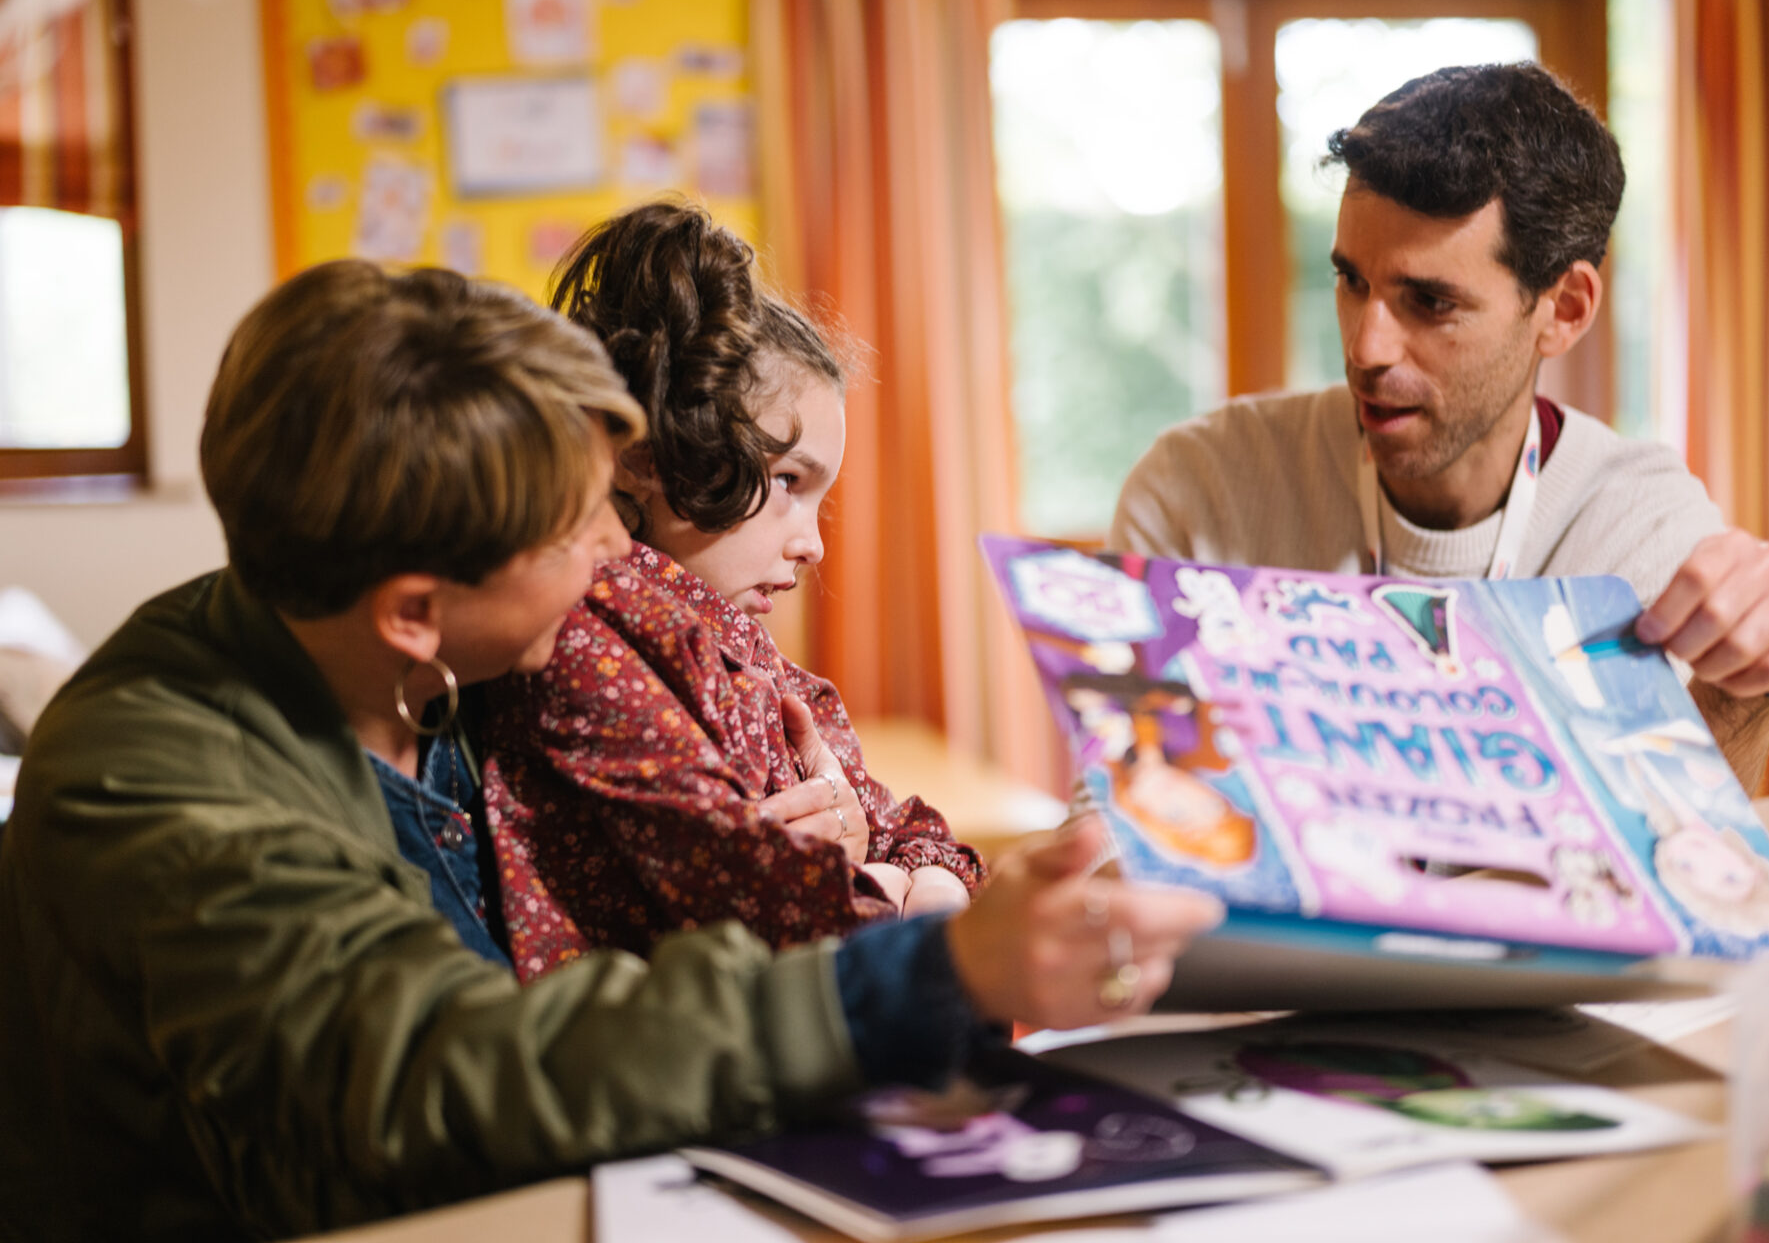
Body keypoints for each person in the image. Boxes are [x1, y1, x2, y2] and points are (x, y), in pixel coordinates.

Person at [0, 261, 1223, 1241]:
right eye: (579, 527)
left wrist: (866, 845)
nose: (615, 553)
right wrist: (927, 970)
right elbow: (447, 1063)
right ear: (417, 609)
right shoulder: (153, 786)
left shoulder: (454, 666)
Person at [1109, 62, 1769, 793]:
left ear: (1564, 309)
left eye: (1429, 301)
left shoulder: (1643, 530)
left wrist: (1745, 692)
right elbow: (1118, 828)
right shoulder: (1197, 490)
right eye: (1352, 281)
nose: (1366, 349)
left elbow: (1677, 870)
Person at [482, 203, 982, 980]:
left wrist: (934, 882)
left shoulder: (737, 646)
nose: (812, 544)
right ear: (646, 460)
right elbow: (762, 903)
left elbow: (908, 826)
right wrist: (886, 886)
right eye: (786, 482)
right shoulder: (582, 637)